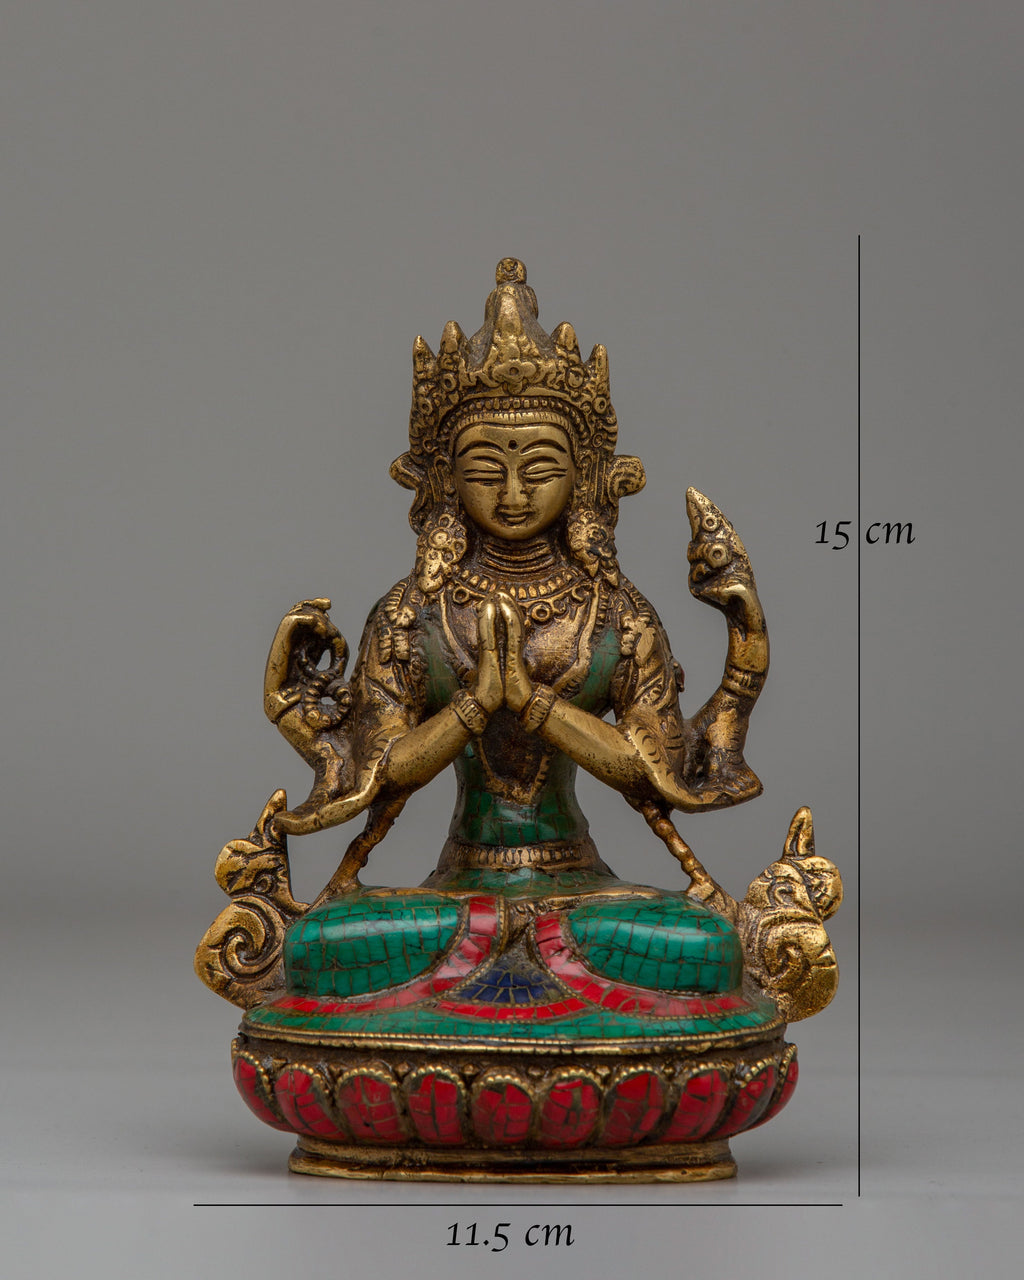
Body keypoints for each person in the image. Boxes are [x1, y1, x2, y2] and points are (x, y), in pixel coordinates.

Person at [256, 259, 772, 1014]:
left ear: (585, 475)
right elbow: (380, 769)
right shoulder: (412, 612)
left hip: (582, 890)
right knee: (322, 943)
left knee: (706, 946)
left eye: (540, 466)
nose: (513, 493)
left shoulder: (616, 613)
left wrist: (532, 703)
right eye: (485, 468)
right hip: (455, 893)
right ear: (443, 479)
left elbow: (650, 769)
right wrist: (474, 706)